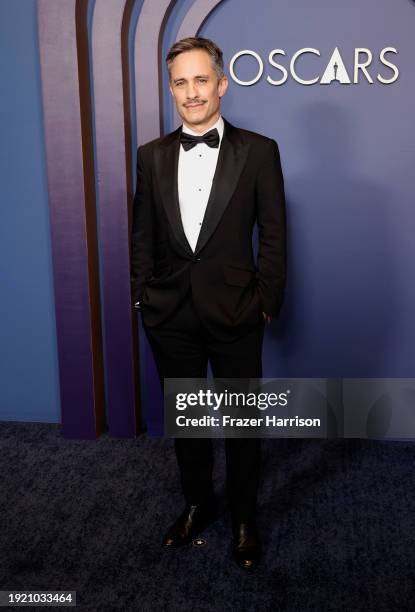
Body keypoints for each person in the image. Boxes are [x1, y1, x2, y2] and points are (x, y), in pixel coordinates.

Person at [130, 37, 286, 569]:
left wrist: (267, 299)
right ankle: (199, 505)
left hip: (237, 312)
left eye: (201, 80)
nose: (191, 93)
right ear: (171, 89)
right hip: (170, 316)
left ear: (221, 84)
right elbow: (142, 235)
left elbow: (274, 234)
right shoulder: (150, 157)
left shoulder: (260, 150)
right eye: (180, 82)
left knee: (244, 426)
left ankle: (244, 516)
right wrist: (142, 299)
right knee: (188, 422)